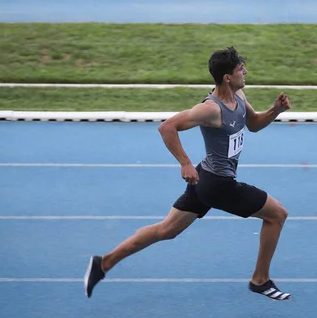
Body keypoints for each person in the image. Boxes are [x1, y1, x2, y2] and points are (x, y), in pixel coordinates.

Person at [84, 47, 292, 301]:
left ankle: (103, 263)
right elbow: (167, 127)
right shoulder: (210, 109)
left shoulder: (238, 97)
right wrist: (185, 163)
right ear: (227, 77)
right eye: (240, 69)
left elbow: (254, 124)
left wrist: (275, 111)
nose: (245, 72)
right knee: (277, 214)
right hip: (217, 185)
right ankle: (260, 280)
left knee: (166, 230)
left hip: (206, 178)